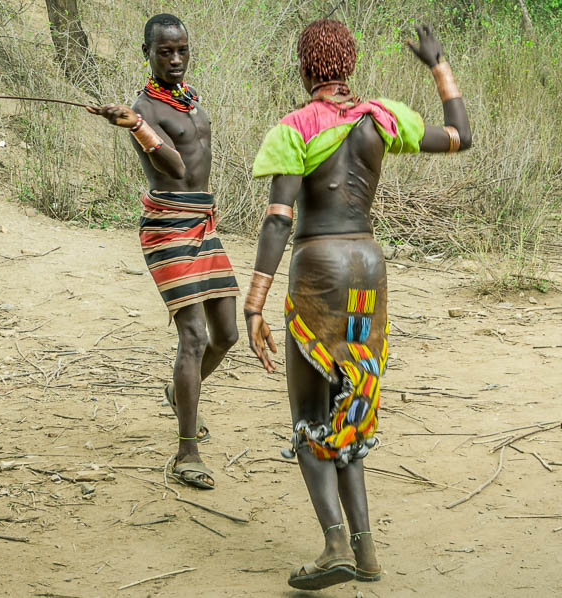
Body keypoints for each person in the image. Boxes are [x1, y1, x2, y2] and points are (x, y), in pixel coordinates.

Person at [243, 20, 471, 590]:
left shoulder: (294, 129)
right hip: (368, 269)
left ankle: (334, 543)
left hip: (319, 268)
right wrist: (438, 65)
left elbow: (279, 219)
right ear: (348, 65)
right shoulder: (383, 119)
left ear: (303, 67)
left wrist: (254, 302)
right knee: (352, 409)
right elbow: (461, 136)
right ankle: (365, 553)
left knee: (309, 416)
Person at [89, 13, 238, 490]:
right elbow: (173, 168)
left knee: (227, 334)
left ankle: (179, 391)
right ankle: (186, 451)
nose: (175, 59)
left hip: (202, 222)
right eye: (164, 52)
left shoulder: (189, 99)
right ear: (146, 53)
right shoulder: (144, 109)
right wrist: (136, 126)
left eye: (181, 50)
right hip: (167, 226)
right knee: (193, 338)